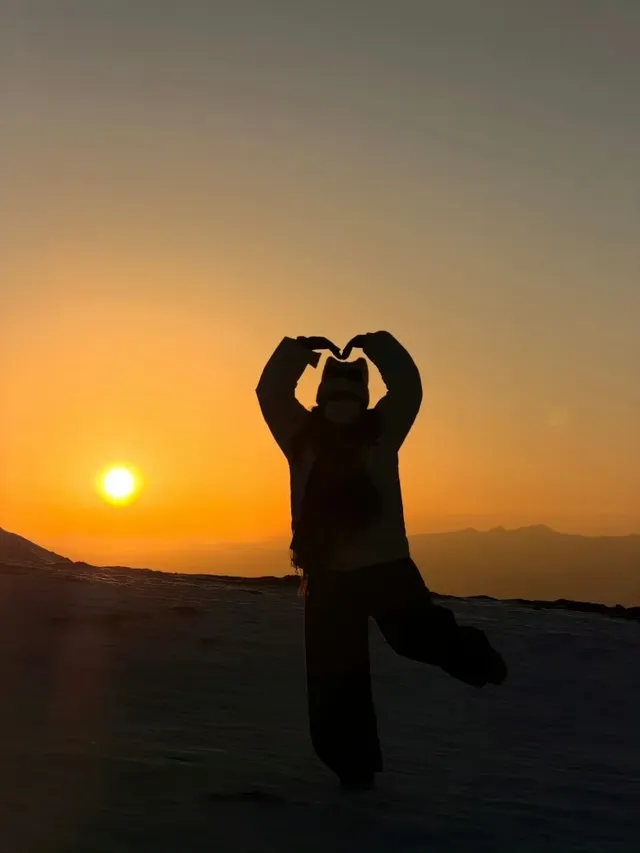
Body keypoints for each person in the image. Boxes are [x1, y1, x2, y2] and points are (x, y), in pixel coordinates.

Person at [256, 331, 507, 791]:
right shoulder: (381, 432)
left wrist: (299, 350)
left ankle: (354, 770)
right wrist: (379, 345)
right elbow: (409, 387)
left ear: (322, 392)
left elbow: (270, 392)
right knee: (419, 635)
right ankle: (476, 658)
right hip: (387, 566)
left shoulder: (300, 437)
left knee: (336, 677)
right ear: (364, 393)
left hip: (327, 575)